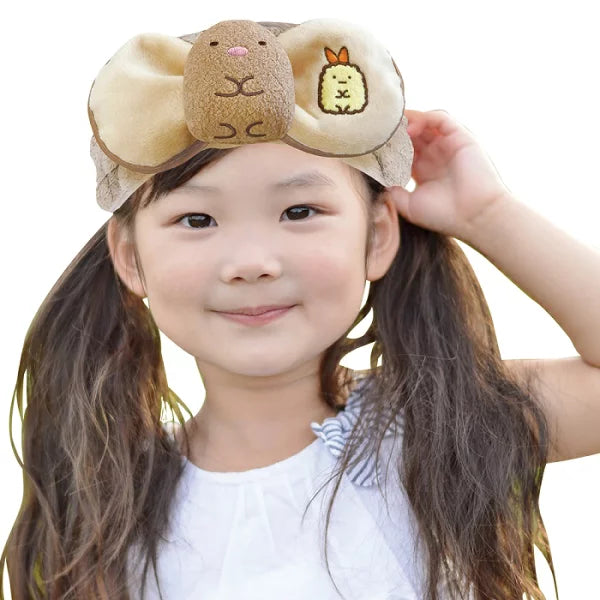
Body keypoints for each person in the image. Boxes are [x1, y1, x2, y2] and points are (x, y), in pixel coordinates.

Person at [2, 17, 599, 600]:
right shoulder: (106, 507)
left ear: (377, 235)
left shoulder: (439, 426)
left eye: (299, 212)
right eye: (197, 220)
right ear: (130, 257)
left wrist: (487, 213)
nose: (253, 261)